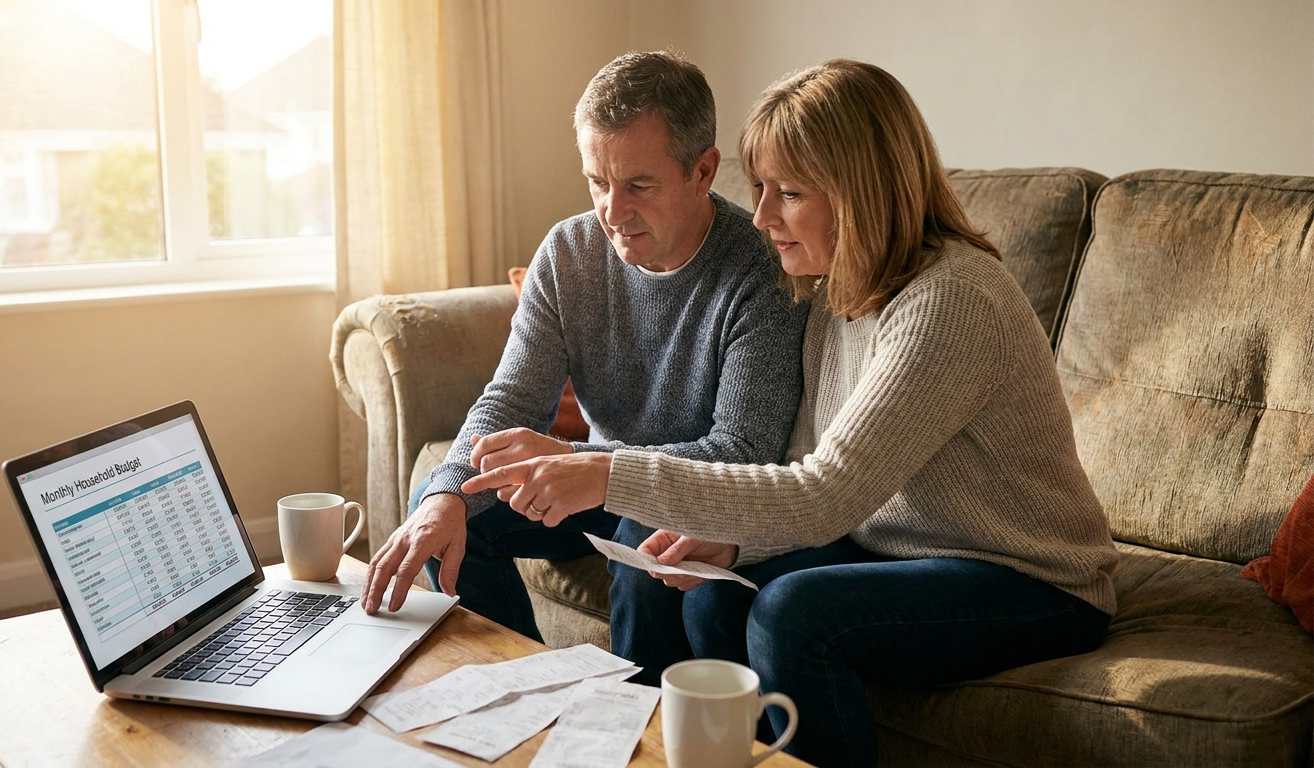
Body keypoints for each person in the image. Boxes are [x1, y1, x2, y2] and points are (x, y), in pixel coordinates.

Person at [462, 59, 1119, 768]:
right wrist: (735, 546)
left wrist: (603, 473)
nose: (765, 215)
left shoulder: (950, 300)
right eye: (764, 188)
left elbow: (823, 492)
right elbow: (801, 469)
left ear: (860, 194)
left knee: (792, 615)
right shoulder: (833, 290)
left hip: (1024, 577)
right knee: (713, 597)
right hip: (887, 545)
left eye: (790, 193)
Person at [361, 50, 809, 687]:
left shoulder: (760, 271)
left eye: (638, 185)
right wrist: (443, 493)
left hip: (683, 494)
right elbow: (509, 401)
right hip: (593, 477)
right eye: (598, 181)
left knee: (644, 529)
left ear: (703, 170)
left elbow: (745, 450)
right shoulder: (569, 251)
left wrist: (596, 469)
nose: (612, 210)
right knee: (449, 496)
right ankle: (525, 690)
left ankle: (633, 725)